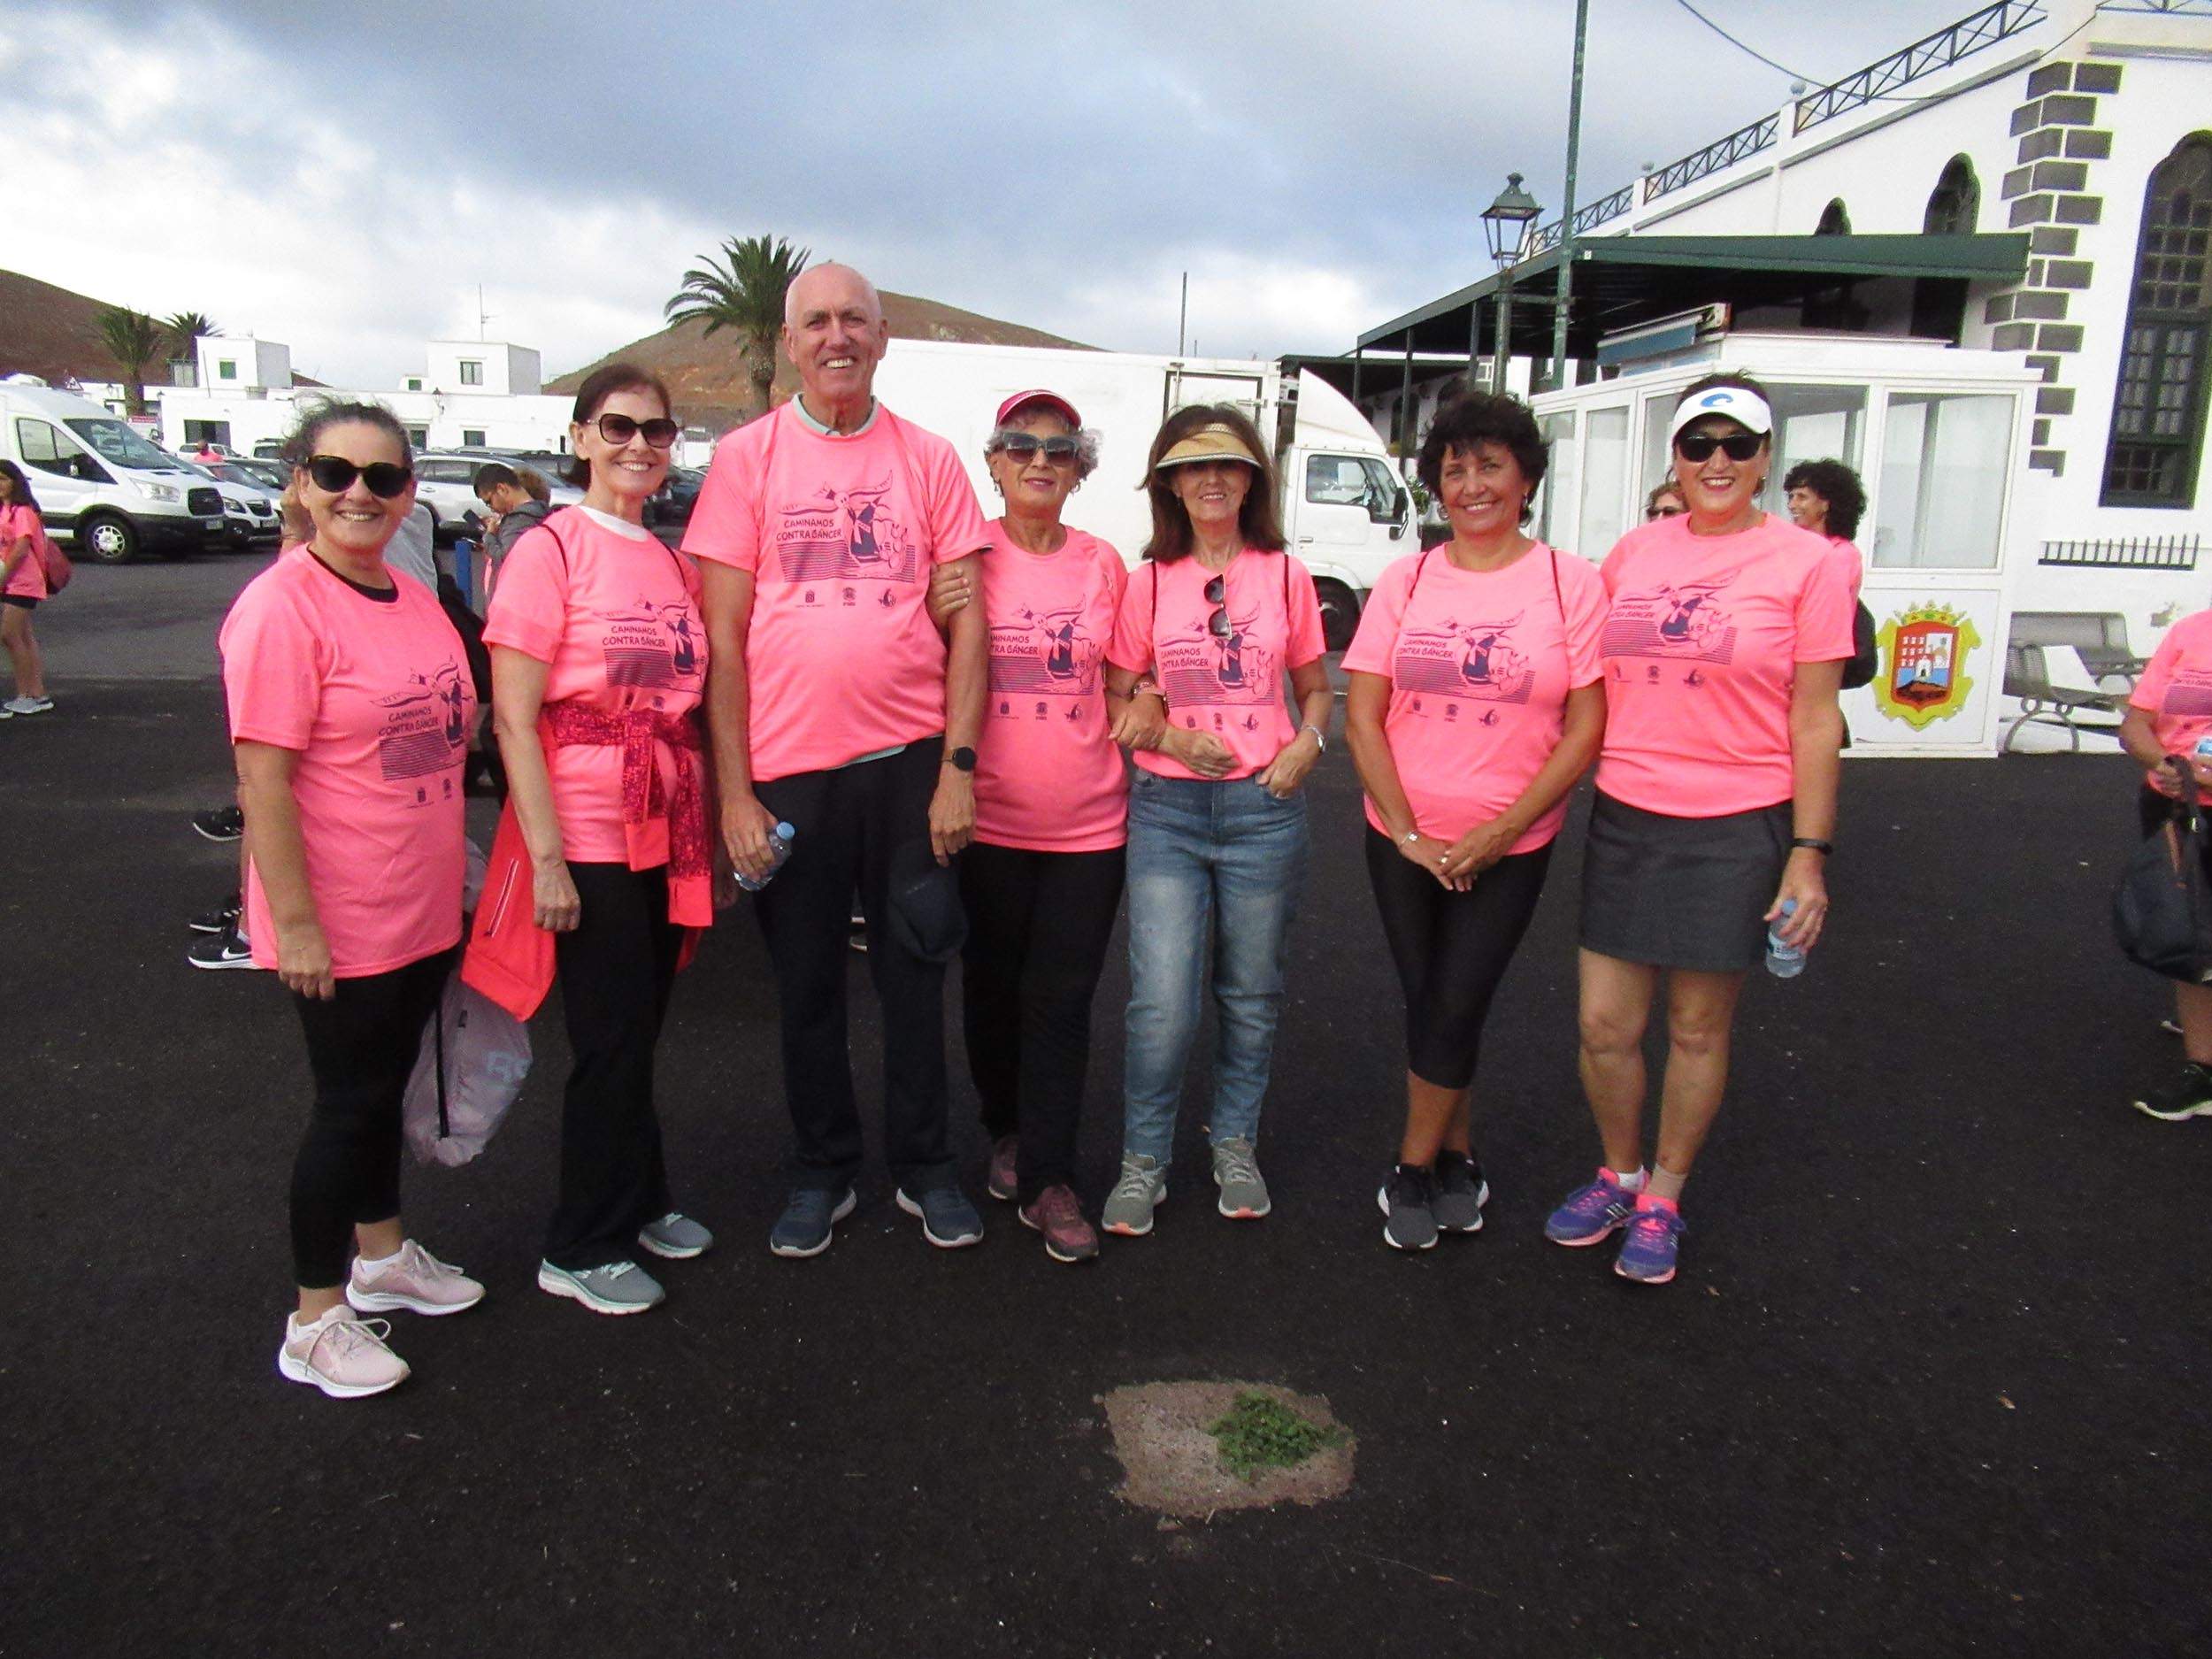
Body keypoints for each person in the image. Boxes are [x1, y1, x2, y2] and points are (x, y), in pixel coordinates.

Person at [686, 263, 991, 1257]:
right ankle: (821, 1170)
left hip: (907, 765)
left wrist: (956, 768)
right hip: (786, 774)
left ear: (883, 334)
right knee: (806, 985)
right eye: (816, 321)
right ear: (788, 340)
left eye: (853, 319)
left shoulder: (931, 459)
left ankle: (926, 1165)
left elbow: (968, 625)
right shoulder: (747, 458)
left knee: (916, 972)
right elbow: (722, 641)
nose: (836, 337)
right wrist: (733, 792)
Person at [1548, 373, 1854, 1286]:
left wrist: (1809, 853)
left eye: (1737, 444)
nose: (1716, 461)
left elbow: (1815, 719)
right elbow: (1583, 683)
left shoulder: (1812, 562)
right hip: (1629, 811)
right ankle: (1618, 1171)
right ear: (1673, 457)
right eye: (1698, 444)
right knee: (1604, 1025)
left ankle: (1662, 1198)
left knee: (1693, 1027)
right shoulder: (1633, 552)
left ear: (1765, 459)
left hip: (1739, 821)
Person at [219, 400, 481, 1399]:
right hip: (340, 915)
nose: (360, 495)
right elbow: (263, 782)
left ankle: (383, 1256)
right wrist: (294, 926)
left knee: (384, 1090)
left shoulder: (408, 596)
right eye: (336, 474)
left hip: (416, 899)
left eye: (382, 477)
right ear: (301, 484)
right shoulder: (281, 608)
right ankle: (316, 1315)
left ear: (409, 491)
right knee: (347, 1106)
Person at [470, 364, 715, 1316]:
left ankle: (640, 1196)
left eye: (657, 431)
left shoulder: (672, 560)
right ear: (578, 437)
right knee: (609, 1041)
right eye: (618, 427)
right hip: (586, 836)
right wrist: (549, 860)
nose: (638, 446)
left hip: (660, 829)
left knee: (640, 1031)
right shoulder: (550, 550)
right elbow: (513, 718)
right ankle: (579, 1242)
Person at [1342, 392, 1609, 1251]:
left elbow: (1586, 725)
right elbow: (1362, 714)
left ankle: (1411, 1167)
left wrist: (1500, 831)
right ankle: (1459, 1154)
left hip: (1512, 841)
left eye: (1489, 464)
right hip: (1401, 840)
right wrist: (1409, 831)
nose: (1471, 484)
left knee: (1459, 997)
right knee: (1432, 1000)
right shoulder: (1407, 579)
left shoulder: (1572, 582)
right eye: (1453, 469)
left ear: (1525, 477)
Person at [1097, 404, 1331, 1235]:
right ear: (1168, 482)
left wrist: (1309, 741)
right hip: (1168, 809)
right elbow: (1117, 687)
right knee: (1162, 1000)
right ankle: (1144, 1160)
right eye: (1192, 467)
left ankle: (1234, 1143)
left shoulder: (1286, 574)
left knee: (1251, 992)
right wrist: (1164, 730)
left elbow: (1317, 684)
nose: (1210, 480)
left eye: (1227, 465)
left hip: (1264, 808)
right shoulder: (1148, 581)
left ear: (1251, 478)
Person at [924, 390, 1130, 1264]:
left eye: (1057, 448)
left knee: (1063, 999)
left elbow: (1124, 679)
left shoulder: (1103, 563)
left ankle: (1051, 1177)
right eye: (1020, 446)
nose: (1039, 459)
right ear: (994, 463)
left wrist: (1147, 706)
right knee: (993, 990)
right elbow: (917, 667)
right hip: (988, 817)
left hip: (1089, 822)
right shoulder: (964, 556)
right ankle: (1004, 1128)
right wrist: (933, 609)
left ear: (1080, 471)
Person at [2121, 609, 2212, 1121]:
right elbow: (2136, 724)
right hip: (2174, 805)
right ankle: (2204, 1069)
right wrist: (2161, 763)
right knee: (2190, 933)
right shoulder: (2193, 631)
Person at [0, 461, 53, 717]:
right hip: (13, 581)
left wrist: (2, 576)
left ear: (15, 482)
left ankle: (24, 695)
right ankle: (37, 693)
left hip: (23, 581)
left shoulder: (23, 511)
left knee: (9, 635)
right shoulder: (5, 510)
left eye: (3, 479)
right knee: (23, 636)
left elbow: (21, 549)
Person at [474, 461, 554, 598]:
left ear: (502, 489)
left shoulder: (521, 519)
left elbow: (504, 558)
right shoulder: (537, 515)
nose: (491, 508)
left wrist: (489, 536)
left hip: (513, 603)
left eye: (489, 501)